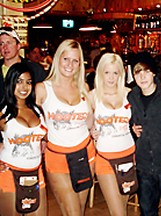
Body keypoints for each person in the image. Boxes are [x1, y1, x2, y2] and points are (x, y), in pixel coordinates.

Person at [35, 39, 95, 216]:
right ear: (57, 58)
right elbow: (27, 118)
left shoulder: (83, 87)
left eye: (75, 60)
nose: (70, 64)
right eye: (66, 59)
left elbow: (90, 121)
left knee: (77, 210)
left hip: (86, 155)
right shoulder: (42, 89)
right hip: (57, 157)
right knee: (73, 211)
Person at [127, 52, 161, 216]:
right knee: (147, 211)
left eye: (146, 71)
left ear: (154, 73)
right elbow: (124, 121)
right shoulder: (131, 97)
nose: (142, 76)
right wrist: (131, 129)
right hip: (144, 167)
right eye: (138, 72)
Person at [89, 53, 136, 216]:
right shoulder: (92, 96)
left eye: (115, 73)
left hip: (129, 155)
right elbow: (83, 125)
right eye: (107, 72)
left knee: (123, 207)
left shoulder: (129, 94)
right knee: (118, 212)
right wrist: (91, 131)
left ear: (121, 74)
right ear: (100, 73)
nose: (110, 77)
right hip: (105, 157)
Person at [0, 62, 47, 215]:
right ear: (10, 83)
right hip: (9, 174)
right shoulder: (3, 112)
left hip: (36, 173)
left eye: (28, 82)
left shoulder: (38, 110)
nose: (24, 87)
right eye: (19, 81)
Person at [0, 27, 47, 100]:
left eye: (9, 43)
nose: (5, 47)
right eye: (1, 44)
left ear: (18, 46)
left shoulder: (35, 70)